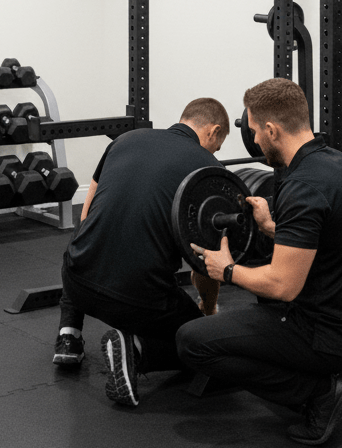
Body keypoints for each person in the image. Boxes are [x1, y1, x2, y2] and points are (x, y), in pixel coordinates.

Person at [176, 78, 342, 446]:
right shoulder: (335, 164)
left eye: (254, 131)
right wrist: (272, 227)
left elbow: (284, 286)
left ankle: (318, 392)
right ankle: (317, 373)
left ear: (272, 130)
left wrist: (228, 271)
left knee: (193, 341)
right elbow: (323, 243)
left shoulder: (303, 186)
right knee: (259, 304)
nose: (253, 140)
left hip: (329, 332)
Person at [53, 98, 230, 406]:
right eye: (218, 146)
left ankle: (69, 336)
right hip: (138, 300)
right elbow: (206, 262)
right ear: (214, 131)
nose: (214, 153)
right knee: (205, 343)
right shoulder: (209, 170)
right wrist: (208, 309)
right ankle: (136, 351)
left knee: (86, 244)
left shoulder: (126, 140)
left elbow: (87, 216)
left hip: (76, 282)